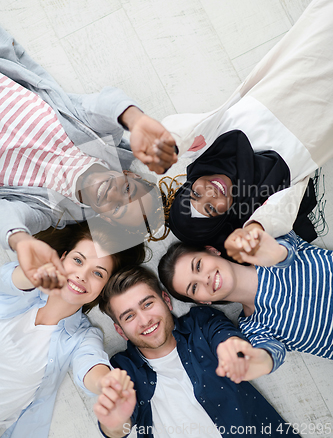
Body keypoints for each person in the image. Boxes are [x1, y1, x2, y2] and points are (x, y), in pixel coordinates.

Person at [159, 0, 333, 261]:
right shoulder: (264, 195)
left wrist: (169, 141)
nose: (209, 193)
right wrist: (256, 228)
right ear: (228, 211)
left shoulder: (207, 145)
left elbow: (185, 130)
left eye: (195, 194)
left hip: (300, 67)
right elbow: (279, 213)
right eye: (212, 209)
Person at [0, 25, 176, 285]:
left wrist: (20, 240)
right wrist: (135, 120)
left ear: (104, 216)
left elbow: (8, 214)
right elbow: (105, 103)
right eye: (127, 189)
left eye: (117, 208)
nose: (113, 194)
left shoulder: (50, 210)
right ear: (126, 173)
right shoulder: (96, 135)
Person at [94, 265, 299, 437]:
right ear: (120, 331)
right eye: (129, 316)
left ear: (166, 300)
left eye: (148, 304)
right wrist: (115, 421)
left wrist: (235, 350)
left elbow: (225, 337)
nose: (144, 320)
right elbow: (118, 427)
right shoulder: (123, 369)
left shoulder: (200, 324)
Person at [0, 218, 144, 438]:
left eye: (98, 273)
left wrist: (107, 386)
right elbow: (11, 280)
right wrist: (33, 273)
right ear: (63, 257)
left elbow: (91, 365)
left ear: (103, 289)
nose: (81, 275)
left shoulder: (82, 337)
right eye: (78, 260)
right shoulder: (19, 286)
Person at [158, 227, 333, 379]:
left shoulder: (264, 248)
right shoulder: (252, 328)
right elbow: (271, 353)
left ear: (211, 250)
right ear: (203, 301)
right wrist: (258, 362)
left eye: (198, 266)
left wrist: (273, 252)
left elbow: (284, 248)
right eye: (194, 287)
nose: (205, 279)